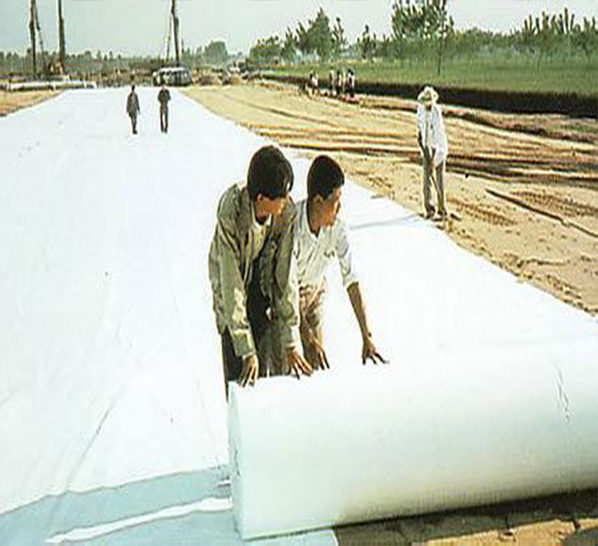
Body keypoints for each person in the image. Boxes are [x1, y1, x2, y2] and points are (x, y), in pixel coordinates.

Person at [208, 146, 312, 396]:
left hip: (261, 287)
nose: (287, 200)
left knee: (263, 372)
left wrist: (290, 340)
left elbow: (285, 277)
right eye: (281, 196)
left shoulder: (285, 215)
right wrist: (245, 349)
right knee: (241, 377)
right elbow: (231, 283)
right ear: (261, 199)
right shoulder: (231, 213)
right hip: (232, 290)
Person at [275, 155, 385, 371]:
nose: (340, 207)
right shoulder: (291, 226)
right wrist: (307, 338)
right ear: (318, 201)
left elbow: (351, 280)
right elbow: (286, 289)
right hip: (286, 298)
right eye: (335, 200)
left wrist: (366, 336)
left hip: (315, 295)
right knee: (289, 367)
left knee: (316, 365)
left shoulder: (338, 229)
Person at [416, 86, 448, 220]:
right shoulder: (420, 109)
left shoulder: (436, 114)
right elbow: (419, 125)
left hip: (438, 148)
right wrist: (421, 140)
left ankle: (442, 208)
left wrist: (433, 161)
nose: (427, 105)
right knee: (426, 177)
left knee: (439, 178)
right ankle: (429, 208)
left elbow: (438, 138)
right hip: (426, 146)